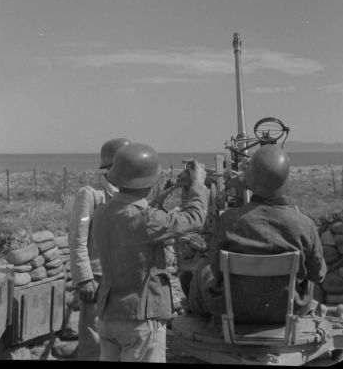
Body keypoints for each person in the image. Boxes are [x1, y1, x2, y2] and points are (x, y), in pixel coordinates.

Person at [92, 143, 208, 363]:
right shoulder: (147, 220)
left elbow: (135, 218)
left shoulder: (102, 212)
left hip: (109, 317)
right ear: (149, 180)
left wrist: (161, 197)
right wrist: (198, 185)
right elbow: (194, 219)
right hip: (140, 321)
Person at [186, 143, 327, 322]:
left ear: (251, 179)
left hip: (233, 310)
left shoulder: (229, 221)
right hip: (286, 311)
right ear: (286, 181)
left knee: (202, 271)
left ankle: (197, 321)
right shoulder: (304, 224)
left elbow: (215, 268)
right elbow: (319, 274)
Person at [68, 137, 131, 361]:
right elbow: (77, 238)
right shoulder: (91, 194)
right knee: (93, 339)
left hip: (123, 278)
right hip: (97, 278)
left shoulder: (131, 193)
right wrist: (84, 278)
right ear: (111, 165)